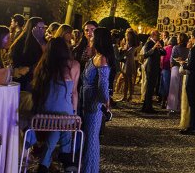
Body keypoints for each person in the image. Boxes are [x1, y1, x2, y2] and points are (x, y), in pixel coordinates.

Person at [31, 37, 80, 173]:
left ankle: (44, 164)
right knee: (64, 120)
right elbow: (74, 93)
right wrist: (74, 112)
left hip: (42, 115)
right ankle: (64, 154)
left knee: (57, 124)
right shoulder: (74, 65)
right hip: (63, 115)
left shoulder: (42, 65)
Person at [81, 28, 110, 173]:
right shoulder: (94, 57)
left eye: (92, 37)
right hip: (87, 102)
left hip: (93, 105)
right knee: (88, 139)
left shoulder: (101, 59)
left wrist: (105, 102)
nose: (90, 39)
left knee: (91, 140)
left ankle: (90, 169)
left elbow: (103, 86)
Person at [9, 17, 46, 90]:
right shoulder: (21, 42)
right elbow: (14, 58)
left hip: (38, 78)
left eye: (43, 27)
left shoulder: (43, 42)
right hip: (25, 78)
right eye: (39, 28)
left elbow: (47, 55)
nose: (43, 30)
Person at [141, 30, 165, 113]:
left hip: (156, 67)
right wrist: (154, 48)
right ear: (153, 35)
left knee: (151, 87)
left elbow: (164, 53)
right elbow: (145, 55)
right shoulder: (149, 43)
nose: (159, 37)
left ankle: (146, 106)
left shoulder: (158, 43)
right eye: (158, 35)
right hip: (150, 68)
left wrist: (161, 47)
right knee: (150, 88)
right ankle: (148, 107)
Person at [167, 33, 189, 112]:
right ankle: (181, 106)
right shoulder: (188, 49)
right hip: (184, 69)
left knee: (173, 88)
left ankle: (172, 107)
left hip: (176, 68)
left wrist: (172, 65)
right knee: (182, 88)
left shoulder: (175, 47)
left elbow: (172, 60)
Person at [116, 29, 138, 102]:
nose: (127, 36)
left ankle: (130, 96)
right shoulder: (126, 42)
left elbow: (128, 53)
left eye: (128, 34)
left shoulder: (133, 44)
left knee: (129, 80)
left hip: (129, 62)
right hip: (125, 62)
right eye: (126, 34)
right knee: (125, 80)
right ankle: (125, 96)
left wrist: (122, 50)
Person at [158, 36, 175, 108]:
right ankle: (168, 102)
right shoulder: (174, 48)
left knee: (164, 85)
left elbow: (161, 59)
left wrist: (161, 67)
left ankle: (163, 101)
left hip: (165, 68)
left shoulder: (165, 48)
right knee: (170, 86)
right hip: (172, 69)